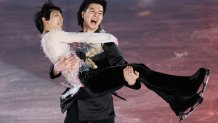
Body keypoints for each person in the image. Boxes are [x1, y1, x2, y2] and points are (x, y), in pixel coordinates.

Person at [34, 1, 210, 122]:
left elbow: (123, 70)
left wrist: (131, 81)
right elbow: (56, 60)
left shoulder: (108, 44)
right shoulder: (72, 38)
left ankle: (183, 92)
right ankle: (179, 98)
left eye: (100, 13)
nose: (96, 15)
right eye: (92, 11)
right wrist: (57, 67)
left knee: (138, 69)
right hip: (77, 105)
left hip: (100, 107)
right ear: (83, 14)